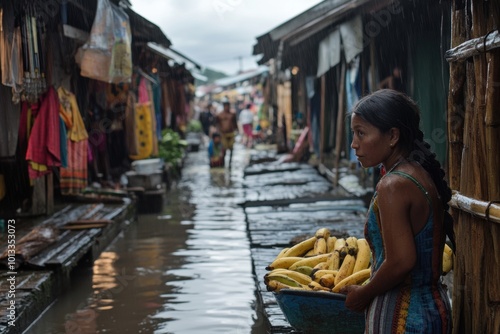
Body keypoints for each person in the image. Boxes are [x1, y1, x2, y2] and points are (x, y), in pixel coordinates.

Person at [343, 89, 453, 333]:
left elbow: (401, 261)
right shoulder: (415, 174)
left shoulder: (393, 185)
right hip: (432, 309)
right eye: (354, 133)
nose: (354, 144)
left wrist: (362, 294)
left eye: (361, 133)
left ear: (392, 136)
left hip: (404, 318)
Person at [215, 100, 238, 166]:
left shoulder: (232, 114)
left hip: (231, 133)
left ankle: (230, 163)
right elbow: (217, 124)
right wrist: (218, 133)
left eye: (228, 106)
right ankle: (224, 163)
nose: (227, 107)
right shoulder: (219, 115)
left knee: (231, 149)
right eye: (226, 106)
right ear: (224, 106)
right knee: (224, 149)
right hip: (223, 134)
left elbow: (235, 123)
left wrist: (237, 130)